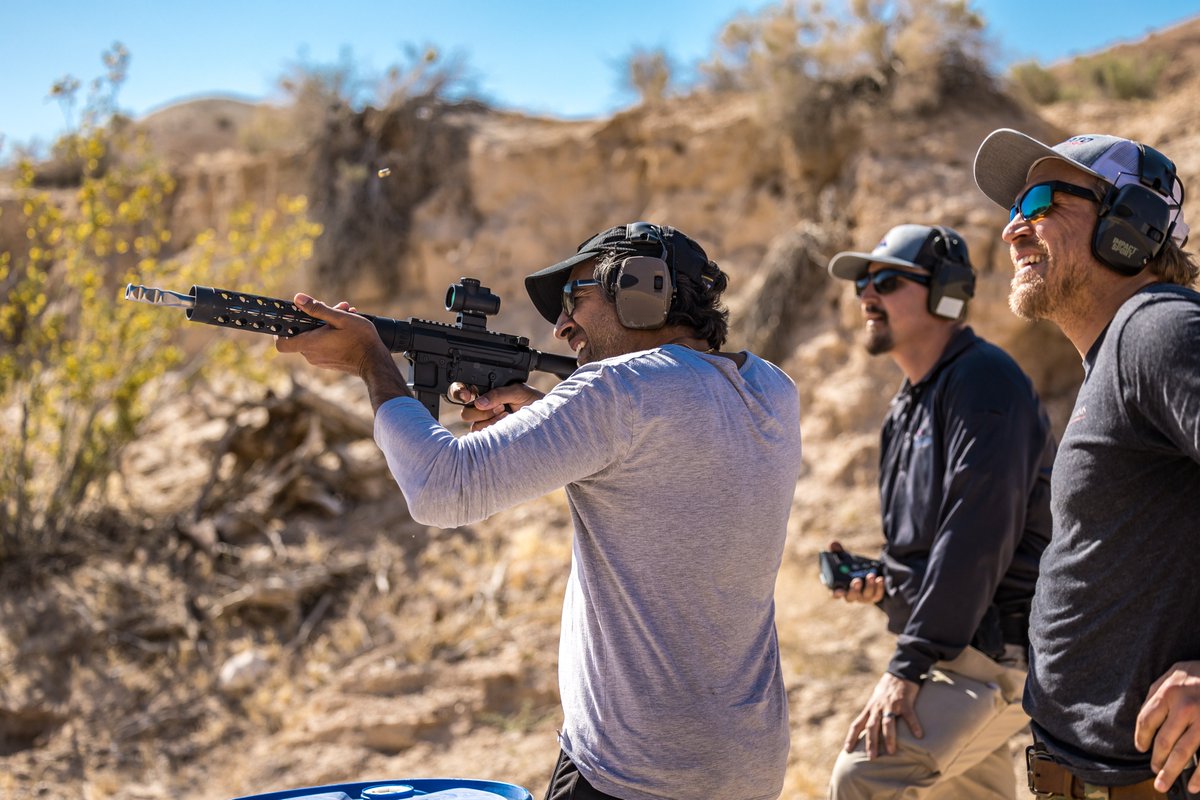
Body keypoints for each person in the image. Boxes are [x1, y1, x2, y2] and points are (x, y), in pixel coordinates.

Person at [276, 222, 803, 800]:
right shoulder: (771, 390)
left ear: (643, 288)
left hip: (630, 775)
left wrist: (370, 359)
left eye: (577, 298)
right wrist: (553, 412)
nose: (562, 325)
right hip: (749, 765)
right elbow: (667, 453)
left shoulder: (619, 390)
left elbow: (440, 487)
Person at [974, 128, 1200, 800]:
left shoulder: (1159, 331)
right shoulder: (1118, 351)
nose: (1014, 228)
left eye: (1041, 201)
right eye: (1012, 208)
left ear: (1131, 224)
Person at [823, 223, 1056, 799]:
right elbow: (934, 545)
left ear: (946, 291)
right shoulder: (906, 406)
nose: (866, 296)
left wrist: (907, 664)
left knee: (864, 778)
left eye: (886, 280)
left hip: (993, 652)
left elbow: (978, 535)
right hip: (957, 645)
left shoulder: (984, 381)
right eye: (862, 284)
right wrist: (885, 584)